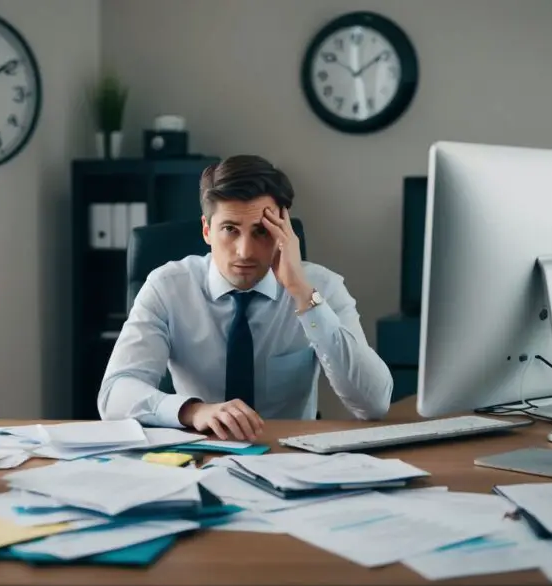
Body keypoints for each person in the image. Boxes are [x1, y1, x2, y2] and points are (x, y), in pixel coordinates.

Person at [97, 155, 393, 441]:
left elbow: (374, 403)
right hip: (199, 455)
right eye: (230, 230)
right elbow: (115, 394)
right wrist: (193, 411)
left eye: (262, 231)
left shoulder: (321, 288)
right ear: (206, 230)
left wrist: (303, 295)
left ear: (284, 233)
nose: (245, 252)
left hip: (291, 458)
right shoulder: (167, 287)